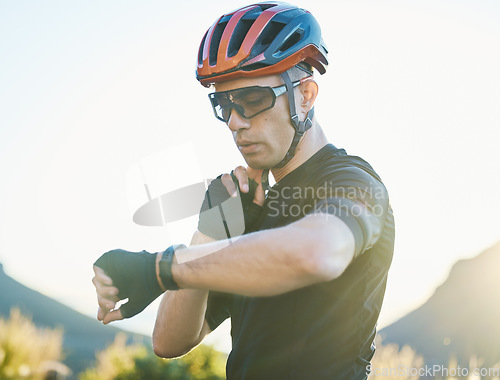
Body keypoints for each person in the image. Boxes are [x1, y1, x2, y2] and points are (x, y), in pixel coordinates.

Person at [92, 2, 395, 379]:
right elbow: (170, 341)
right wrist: (210, 233)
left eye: (252, 100)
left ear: (306, 95)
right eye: (223, 104)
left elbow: (317, 253)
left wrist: (162, 268)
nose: (234, 122)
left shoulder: (354, 182)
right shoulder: (248, 203)